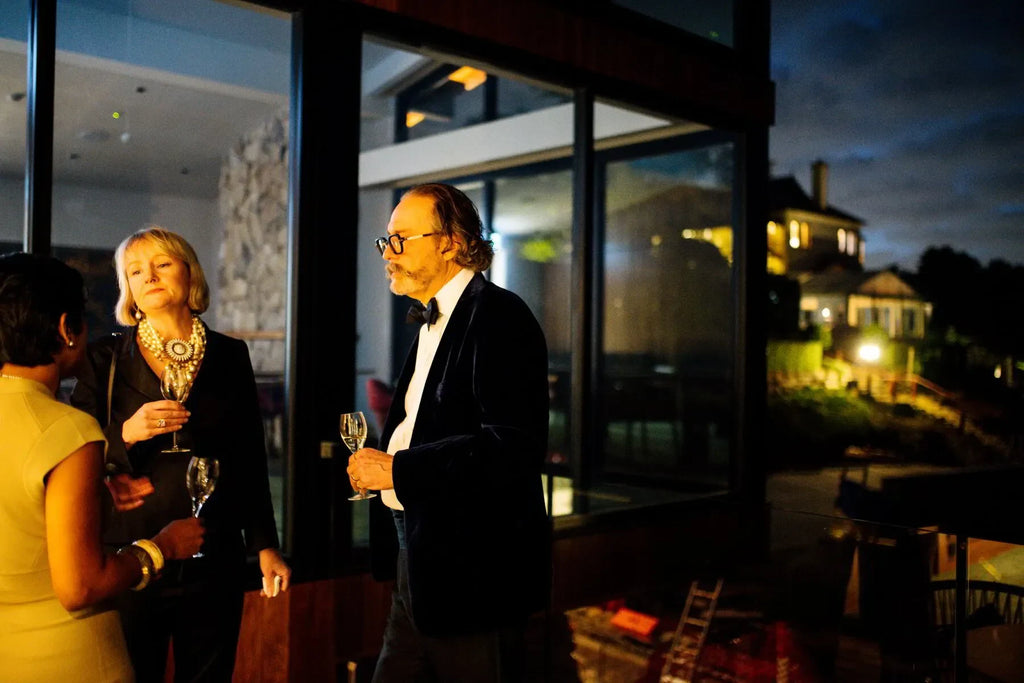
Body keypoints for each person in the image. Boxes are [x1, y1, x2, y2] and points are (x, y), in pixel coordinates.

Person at [346, 184, 551, 682]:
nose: (388, 254)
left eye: (401, 239)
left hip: (474, 567)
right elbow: (430, 426)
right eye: (385, 241)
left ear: (451, 242)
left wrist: (397, 468)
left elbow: (511, 447)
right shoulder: (432, 321)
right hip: (416, 549)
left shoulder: (500, 316)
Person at [70, 227, 291, 682]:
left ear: (189, 274)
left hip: (215, 552)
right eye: (135, 271)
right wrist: (127, 433)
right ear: (127, 290)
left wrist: (266, 545)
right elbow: (78, 447)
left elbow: (249, 455)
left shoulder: (231, 355)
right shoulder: (104, 358)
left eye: (162, 265)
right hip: (131, 554)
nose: (148, 276)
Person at [0, 252, 205, 683]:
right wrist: (161, 547)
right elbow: (80, 587)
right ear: (65, 329)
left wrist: (92, 499)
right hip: (67, 660)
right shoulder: (68, 430)